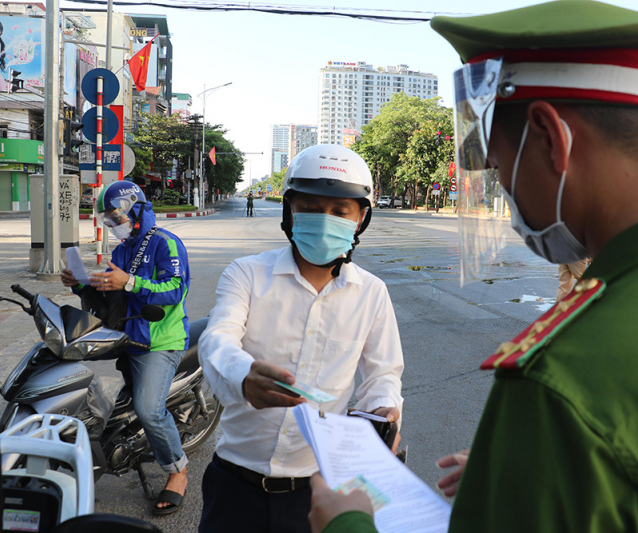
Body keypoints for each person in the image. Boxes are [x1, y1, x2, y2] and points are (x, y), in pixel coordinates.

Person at [309, 1, 638, 532]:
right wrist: (538, 480)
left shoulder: (562, 380)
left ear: (551, 138)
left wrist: (348, 525)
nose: (506, 194)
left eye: (500, 166)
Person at [198, 144, 404, 533]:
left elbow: (383, 375)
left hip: (318, 493)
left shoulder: (372, 293)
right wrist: (243, 375)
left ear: (360, 219)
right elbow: (217, 340)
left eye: (340, 211)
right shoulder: (247, 274)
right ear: (289, 210)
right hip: (235, 486)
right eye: (310, 207)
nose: (324, 220)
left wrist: (383, 410)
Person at [60, 181, 192, 516]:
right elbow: (113, 293)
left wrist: (131, 282)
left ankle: (177, 471)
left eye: (116, 216)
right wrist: (81, 284)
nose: (112, 223)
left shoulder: (165, 243)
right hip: (128, 335)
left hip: (161, 341)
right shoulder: (122, 250)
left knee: (149, 409)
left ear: (137, 209)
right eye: (108, 219)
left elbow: (175, 289)